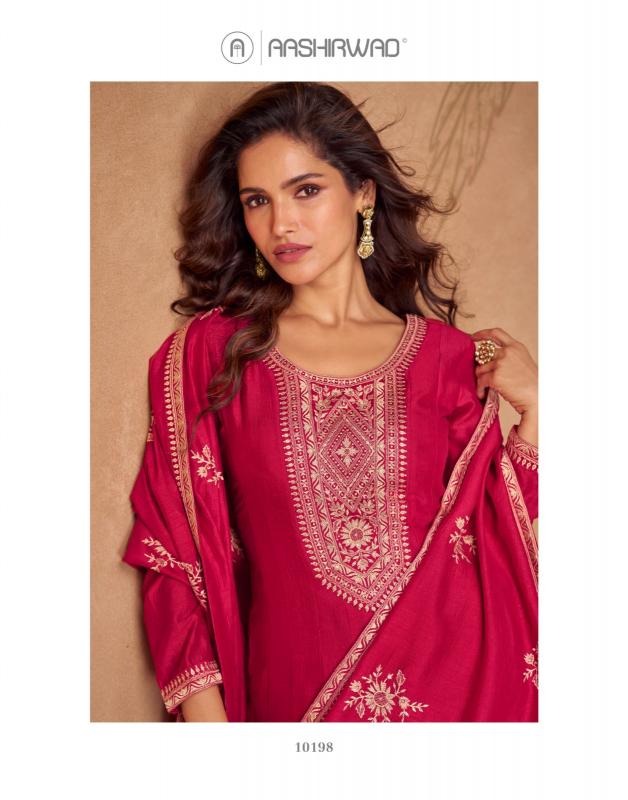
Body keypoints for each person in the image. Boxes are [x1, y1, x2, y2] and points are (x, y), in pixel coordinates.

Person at [122, 82, 538, 723]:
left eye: (306, 190)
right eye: (257, 200)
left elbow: (501, 550)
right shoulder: (213, 355)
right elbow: (172, 557)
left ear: (362, 192)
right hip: (291, 713)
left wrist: (541, 411)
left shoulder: (448, 361)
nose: (280, 224)